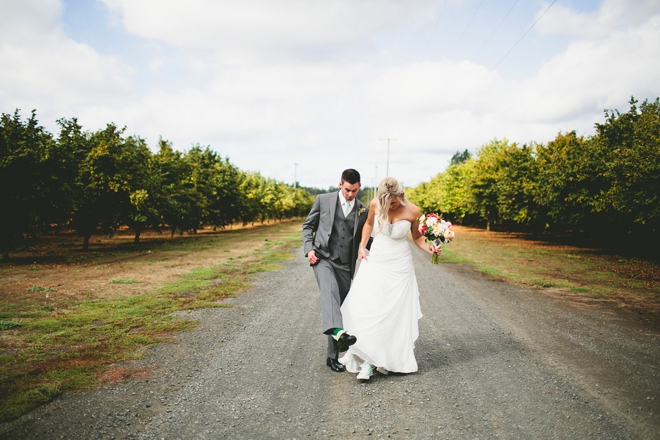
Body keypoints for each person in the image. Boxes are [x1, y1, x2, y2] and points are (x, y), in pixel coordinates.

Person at [339, 176, 437, 381]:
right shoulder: (376, 204)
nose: (390, 205)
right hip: (377, 260)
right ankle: (367, 357)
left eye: (393, 201)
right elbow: (368, 224)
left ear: (400, 195)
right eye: (386, 201)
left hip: (400, 265)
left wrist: (429, 248)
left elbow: (417, 237)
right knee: (370, 307)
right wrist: (362, 247)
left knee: (394, 312)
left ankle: (384, 359)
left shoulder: (413, 211)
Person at [302, 169, 370, 372]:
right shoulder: (323, 200)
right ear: (340, 184)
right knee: (330, 291)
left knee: (340, 307)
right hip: (322, 257)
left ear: (359, 187)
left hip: (345, 265)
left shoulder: (362, 210)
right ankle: (337, 345)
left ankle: (334, 351)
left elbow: (365, 239)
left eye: (355, 191)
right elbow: (308, 227)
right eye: (348, 190)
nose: (351, 194)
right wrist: (309, 249)